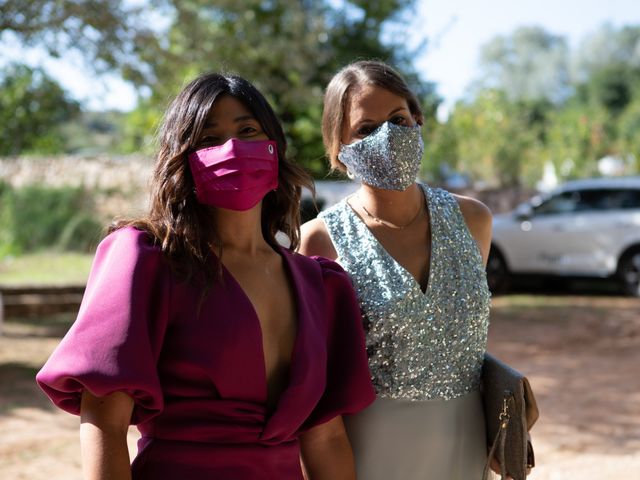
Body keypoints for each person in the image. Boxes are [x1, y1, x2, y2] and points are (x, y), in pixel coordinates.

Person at [36, 72, 375, 479]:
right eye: (209, 139)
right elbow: (104, 422)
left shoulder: (321, 286)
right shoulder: (147, 261)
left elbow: (327, 439)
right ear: (182, 158)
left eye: (247, 130)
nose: (232, 148)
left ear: (274, 148)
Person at [299, 60, 493, 479]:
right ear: (339, 147)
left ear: (418, 121)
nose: (388, 135)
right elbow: (313, 374)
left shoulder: (474, 220)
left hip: (467, 436)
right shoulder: (317, 240)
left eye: (398, 119)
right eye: (366, 129)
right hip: (372, 444)